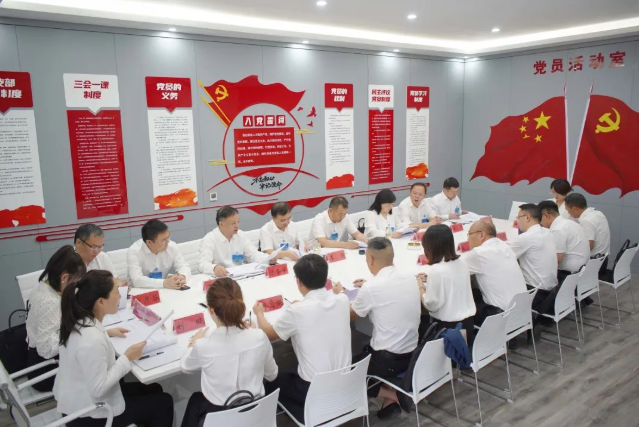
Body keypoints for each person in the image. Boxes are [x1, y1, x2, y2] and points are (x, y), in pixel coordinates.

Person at [54, 270, 173, 427]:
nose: (120, 296)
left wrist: (107, 332)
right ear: (101, 302)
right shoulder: (91, 339)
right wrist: (127, 358)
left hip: (78, 399)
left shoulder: (80, 321)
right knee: (164, 403)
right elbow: (99, 389)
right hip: (90, 415)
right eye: (117, 291)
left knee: (154, 388)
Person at [333, 237, 420, 420]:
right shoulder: (410, 277)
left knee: (343, 375)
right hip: (413, 354)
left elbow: (349, 315)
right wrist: (367, 287)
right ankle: (390, 399)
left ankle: (394, 395)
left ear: (370, 259)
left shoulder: (372, 287)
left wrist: (340, 294)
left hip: (387, 360)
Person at [255, 254, 351, 419]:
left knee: (272, 383)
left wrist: (259, 314)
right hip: (346, 383)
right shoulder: (342, 299)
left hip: (313, 390)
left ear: (299, 282)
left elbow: (268, 333)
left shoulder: (297, 311)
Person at [180, 278, 277, 427]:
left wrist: (193, 344)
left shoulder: (204, 346)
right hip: (255, 416)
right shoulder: (259, 337)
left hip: (219, 418)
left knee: (195, 400)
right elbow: (272, 374)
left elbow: (186, 367)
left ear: (211, 310)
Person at [25, 246, 86, 392]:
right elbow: (46, 350)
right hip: (45, 370)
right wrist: (77, 333)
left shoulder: (43, 285)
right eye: (75, 281)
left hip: (36, 358)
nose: (75, 286)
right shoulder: (49, 302)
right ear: (64, 277)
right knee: (98, 363)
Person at [418, 225, 476, 342]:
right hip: (468, 325)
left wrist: (420, 286)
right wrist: (430, 280)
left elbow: (431, 305)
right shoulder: (462, 263)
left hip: (447, 330)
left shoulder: (436, 270)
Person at [463, 221, 526, 326]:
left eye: (469, 234)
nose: (467, 239)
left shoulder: (479, 253)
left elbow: (454, 269)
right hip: (522, 311)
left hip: (499, 315)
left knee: (462, 304)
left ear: (481, 235)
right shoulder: (505, 246)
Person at [199, 206, 280, 278]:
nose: (237, 226)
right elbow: (203, 264)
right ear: (221, 224)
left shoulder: (240, 235)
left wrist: (268, 258)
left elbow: (253, 254)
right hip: (222, 280)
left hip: (241, 276)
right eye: (233, 223)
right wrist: (214, 268)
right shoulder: (209, 240)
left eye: (238, 222)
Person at [509, 204, 558, 314]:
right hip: (551, 291)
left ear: (527, 217)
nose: (517, 221)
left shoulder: (526, 238)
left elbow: (504, 258)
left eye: (518, 218)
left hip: (535, 293)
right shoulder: (547, 232)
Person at [127, 219, 190, 288]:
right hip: (141, 290)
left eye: (168, 237)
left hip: (164, 289)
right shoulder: (135, 251)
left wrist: (182, 276)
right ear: (149, 242)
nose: (168, 242)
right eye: (164, 240)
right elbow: (137, 280)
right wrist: (164, 283)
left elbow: (183, 265)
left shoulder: (171, 246)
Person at [538, 200, 590, 282]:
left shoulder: (558, 229)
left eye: (539, 219)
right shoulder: (569, 223)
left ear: (546, 216)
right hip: (582, 270)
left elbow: (557, 259)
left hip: (569, 275)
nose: (540, 223)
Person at [565, 193, 611, 278]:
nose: (569, 213)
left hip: (593, 265)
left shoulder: (586, 221)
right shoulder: (598, 213)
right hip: (603, 260)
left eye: (568, 210)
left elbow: (589, 246)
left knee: (561, 263)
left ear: (575, 208)